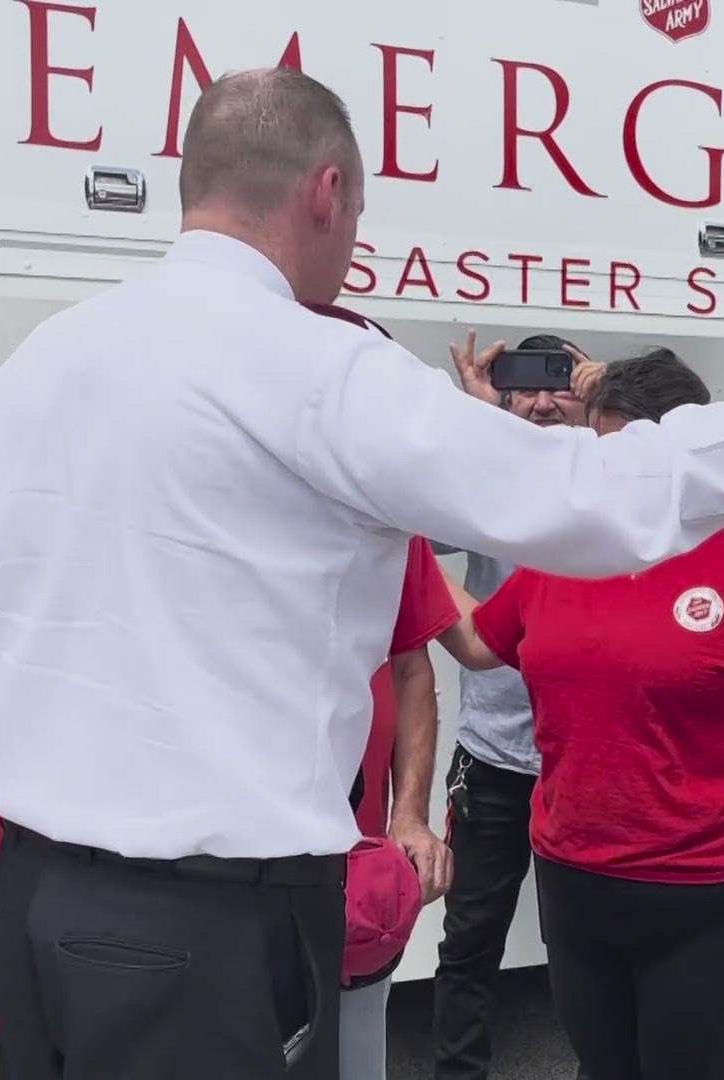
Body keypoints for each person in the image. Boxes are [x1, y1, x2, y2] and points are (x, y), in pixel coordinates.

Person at [0, 65, 724, 1080]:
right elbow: (596, 497)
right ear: (326, 194)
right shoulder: (310, 365)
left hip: (29, 902)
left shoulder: (47, 357)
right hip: (195, 926)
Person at [433, 349, 724, 1080]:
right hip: (576, 877)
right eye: (598, 454)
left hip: (712, 886)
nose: (608, 478)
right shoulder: (568, 551)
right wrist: (398, 560)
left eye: (628, 456)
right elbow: (476, 642)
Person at [301, 301, 459, 1080]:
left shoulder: (387, 522)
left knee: (354, 1054)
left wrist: (408, 813)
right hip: (224, 866)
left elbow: (414, 668)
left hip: (349, 866)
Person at [426, 330, 590, 1080]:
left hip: (584, 760)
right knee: (469, 941)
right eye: (525, 384)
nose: (543, 399)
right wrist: (480, 422)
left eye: (562, 381)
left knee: (589, 943)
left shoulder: (612, 475)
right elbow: (418, 530)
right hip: (494, 760)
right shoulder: (485, 469)